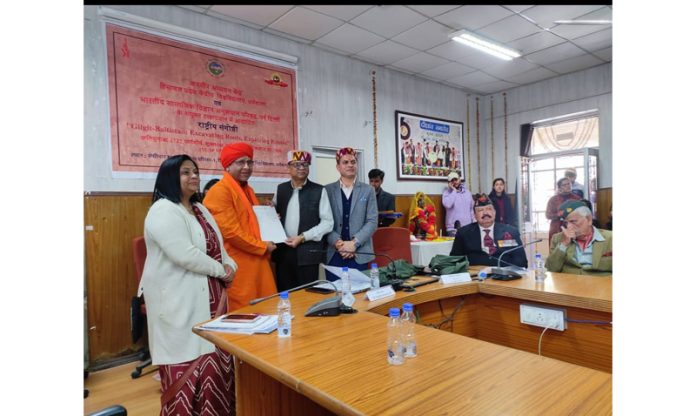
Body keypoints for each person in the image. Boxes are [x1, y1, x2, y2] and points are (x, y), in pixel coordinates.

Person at [139, 154, 237, 415]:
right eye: (186, 172)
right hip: (179, 302)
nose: (194, 176)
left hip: (213, 299)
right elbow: (186, 255)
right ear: (170, 177)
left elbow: (219, 246)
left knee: (217, 364)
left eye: (195, 171)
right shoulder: (162, 211)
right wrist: (221, 270)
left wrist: (230, 265)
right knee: (188, 365)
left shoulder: (200, 208)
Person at [204, 142, 278, 311]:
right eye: (240, 162)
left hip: (257, 261)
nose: (247, 167)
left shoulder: (247, 189)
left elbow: (250, 222)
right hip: (239, 264)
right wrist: (262, 246)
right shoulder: (219, 191)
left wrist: (270, 219)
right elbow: (231, 232)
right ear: (228, 165)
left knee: (266, 310)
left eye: (250, 162)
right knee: (244, 315)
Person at [272, 150, 333, 291]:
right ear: (288, 168)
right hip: (283, 253)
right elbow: (274, 214)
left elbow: (328, 223)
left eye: (305, 165)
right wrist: (270, 212)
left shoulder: (319, 190)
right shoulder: (281, 189)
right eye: (297, 165)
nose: (302, 168)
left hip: (308, 253)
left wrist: (303, 237)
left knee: (307, 294)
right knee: (284, 293)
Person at [325, 147, 378, 280]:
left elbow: (372, 221)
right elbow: (324, 221)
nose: (350, 165)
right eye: (345, 162)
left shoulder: (368, 190)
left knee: (360, 295)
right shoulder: (327, 190)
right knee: (335, 294)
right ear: (338, 166)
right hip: (335, 253)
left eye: (353, 162)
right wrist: (339, 244)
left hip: (359, 253)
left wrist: (353, 244)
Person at [450, 193, 527, 267]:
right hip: (476, 276)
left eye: (489, 209)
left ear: (494, 212)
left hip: (504, 276)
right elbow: (454, 262)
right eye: (480, 210)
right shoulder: (463, 233)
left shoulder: (511, 232)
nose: (485, 213)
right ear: (475, 215)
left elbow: (522, 262)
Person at [546, 200, 612, 276]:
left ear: (589, 220)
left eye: (573, 221)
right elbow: (550, 269)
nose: (569, 227)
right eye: (566, 223)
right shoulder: (558, 238)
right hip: (568, 284)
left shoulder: (611, 238)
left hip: (600, 284)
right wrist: (564, 244)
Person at [545, 177, 581, 244]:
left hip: (573, 228)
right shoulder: (553, 199)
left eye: (569, 184)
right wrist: (559, 214)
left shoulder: (577, 198)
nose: (568, 186)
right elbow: (548, 215)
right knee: (557, 249)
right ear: (559, 187)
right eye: (565, 185)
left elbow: (582, 213)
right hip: (557, 228)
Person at [442, 171, 475, 237]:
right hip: (453, 229)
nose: (454, 182)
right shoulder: (446, 193)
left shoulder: (467, 193)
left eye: (456, 179)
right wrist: (454, 191)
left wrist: (474, 223)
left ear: (459, 179)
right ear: (449, 183)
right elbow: (448, 205)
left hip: (468, 227)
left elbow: (471, 209)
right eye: (452, 180)